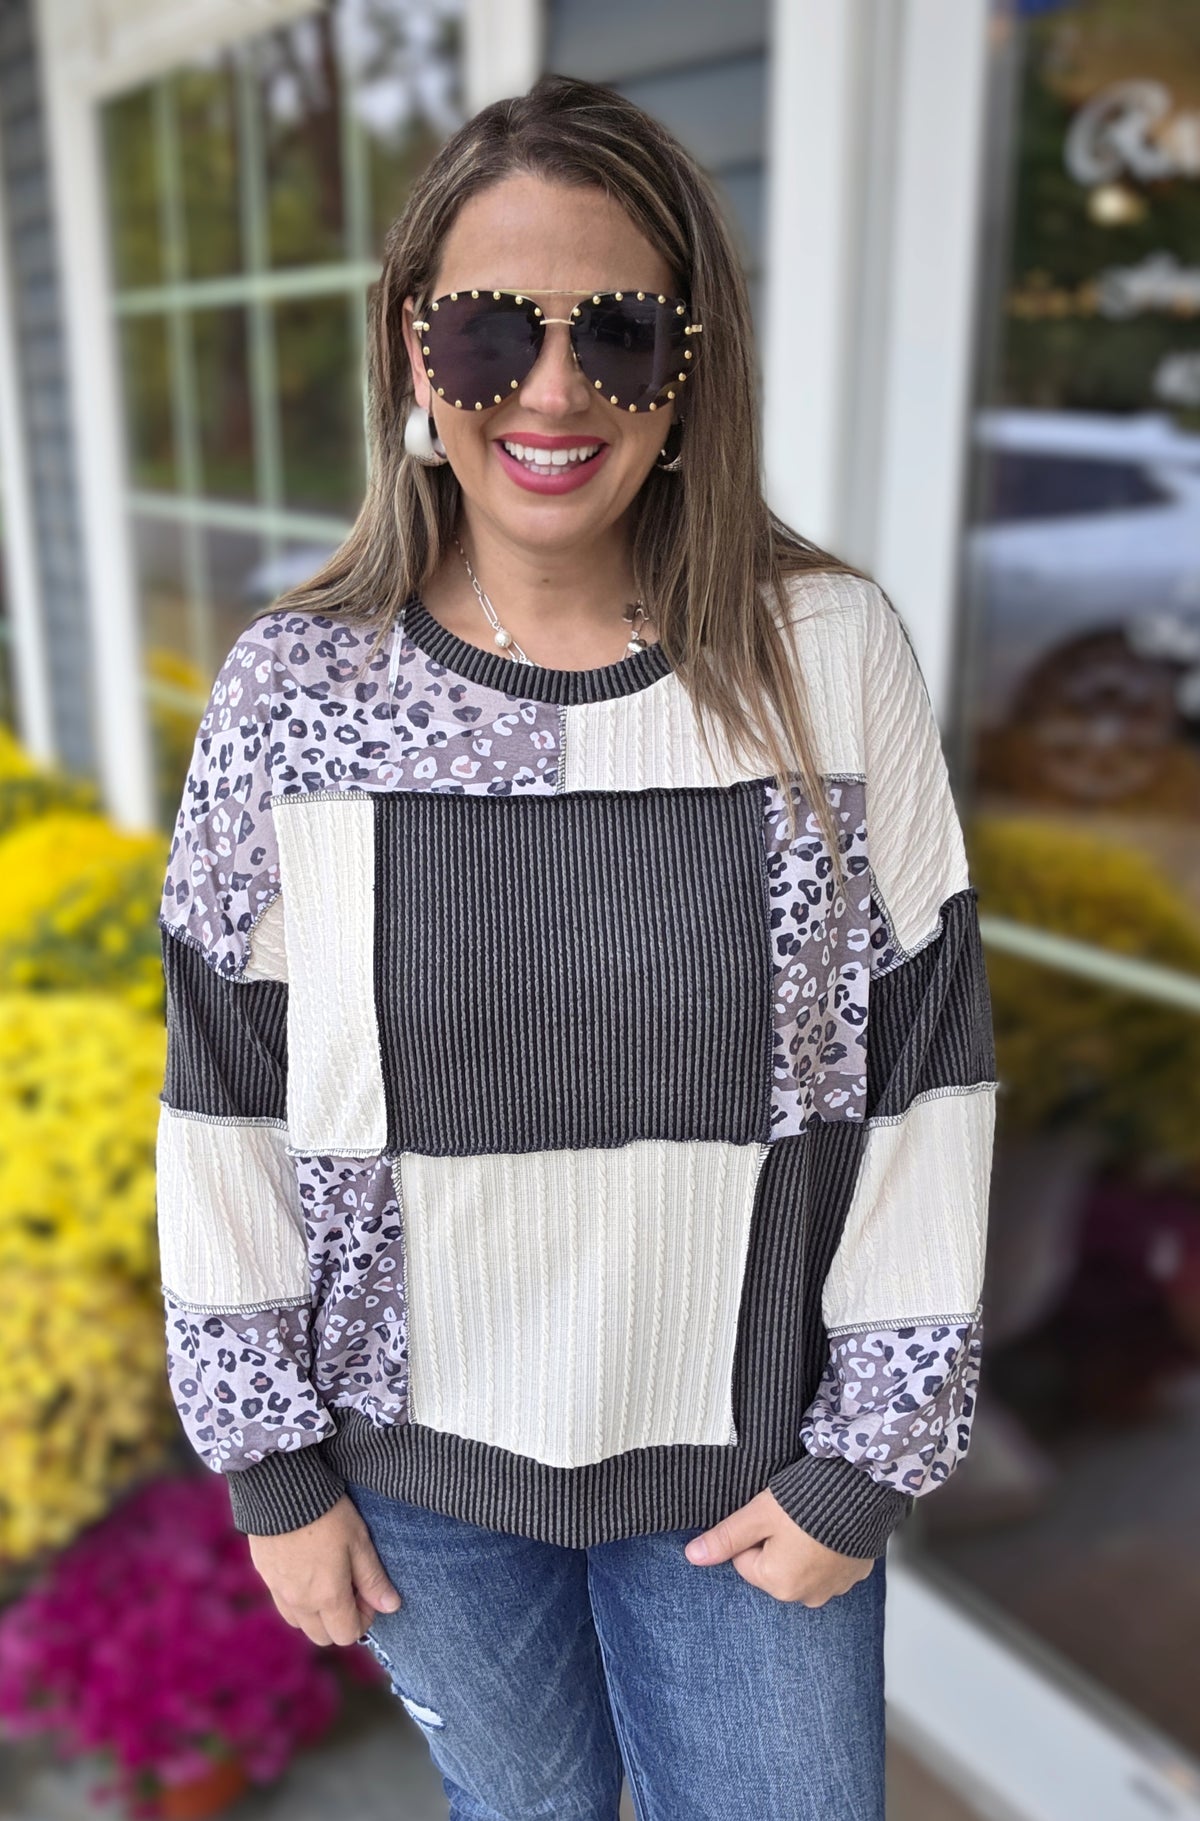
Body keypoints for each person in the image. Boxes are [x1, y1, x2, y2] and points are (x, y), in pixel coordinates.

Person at [155, 72, 996, 1821]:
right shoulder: (298, 692)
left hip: (748, 1471)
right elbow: (225, 1093)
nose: (552, 390)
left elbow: (927, 1066)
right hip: (421, 1484)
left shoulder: (824, 658)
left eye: (617, 330)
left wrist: (870, 1457)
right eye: (491, 332)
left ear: (690, 366)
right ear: (416, 351)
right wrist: (271, 1465)